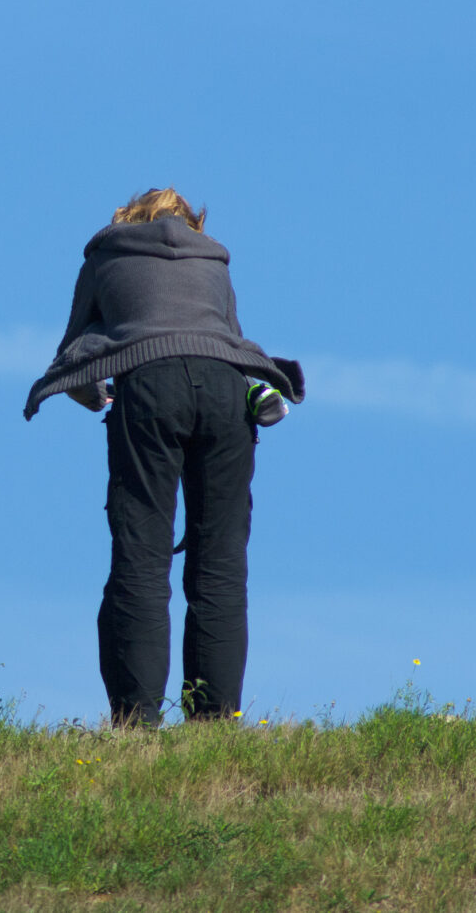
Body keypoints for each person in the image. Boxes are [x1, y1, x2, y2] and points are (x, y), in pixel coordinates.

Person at [24, 188, 304, 727]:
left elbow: (75, 348)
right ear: (191, 221)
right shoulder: (212, 259)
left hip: (149, 389)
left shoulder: (105, 256)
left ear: (126, 220)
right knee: (220, 567)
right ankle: (215, 725)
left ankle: (136, 723)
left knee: (141, 560)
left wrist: (89, 391)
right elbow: (228, 339)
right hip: (225, 391)